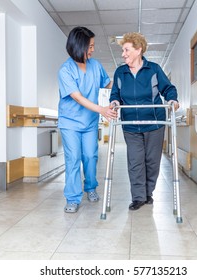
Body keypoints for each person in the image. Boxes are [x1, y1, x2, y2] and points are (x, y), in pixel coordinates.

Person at [110, 32, 179, 211]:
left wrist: (172, 100)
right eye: (123, 50)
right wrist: (115, 102)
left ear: (138, 49)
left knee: (152, 161)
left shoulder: (154, 69)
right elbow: (115, 93)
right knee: (135, 161)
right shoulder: (120, 72)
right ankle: (139, 197)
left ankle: (149, 192)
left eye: (126, 50)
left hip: (154, 123)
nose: (123, 54)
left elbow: (168, 88)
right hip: (130, 124)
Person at [58, 26, 117, 213]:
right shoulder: (65, 70)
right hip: (70, 122)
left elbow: (107, 84)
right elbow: (77, 96)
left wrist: (123, 81)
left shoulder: (96, 65)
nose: (92, 49)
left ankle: (90, 188)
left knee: (91, 156)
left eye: (93, 46)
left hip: (90, 122)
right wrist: (102, 109)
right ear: (78, 46)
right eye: (90, 46)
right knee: (73, 158)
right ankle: (73, 198)